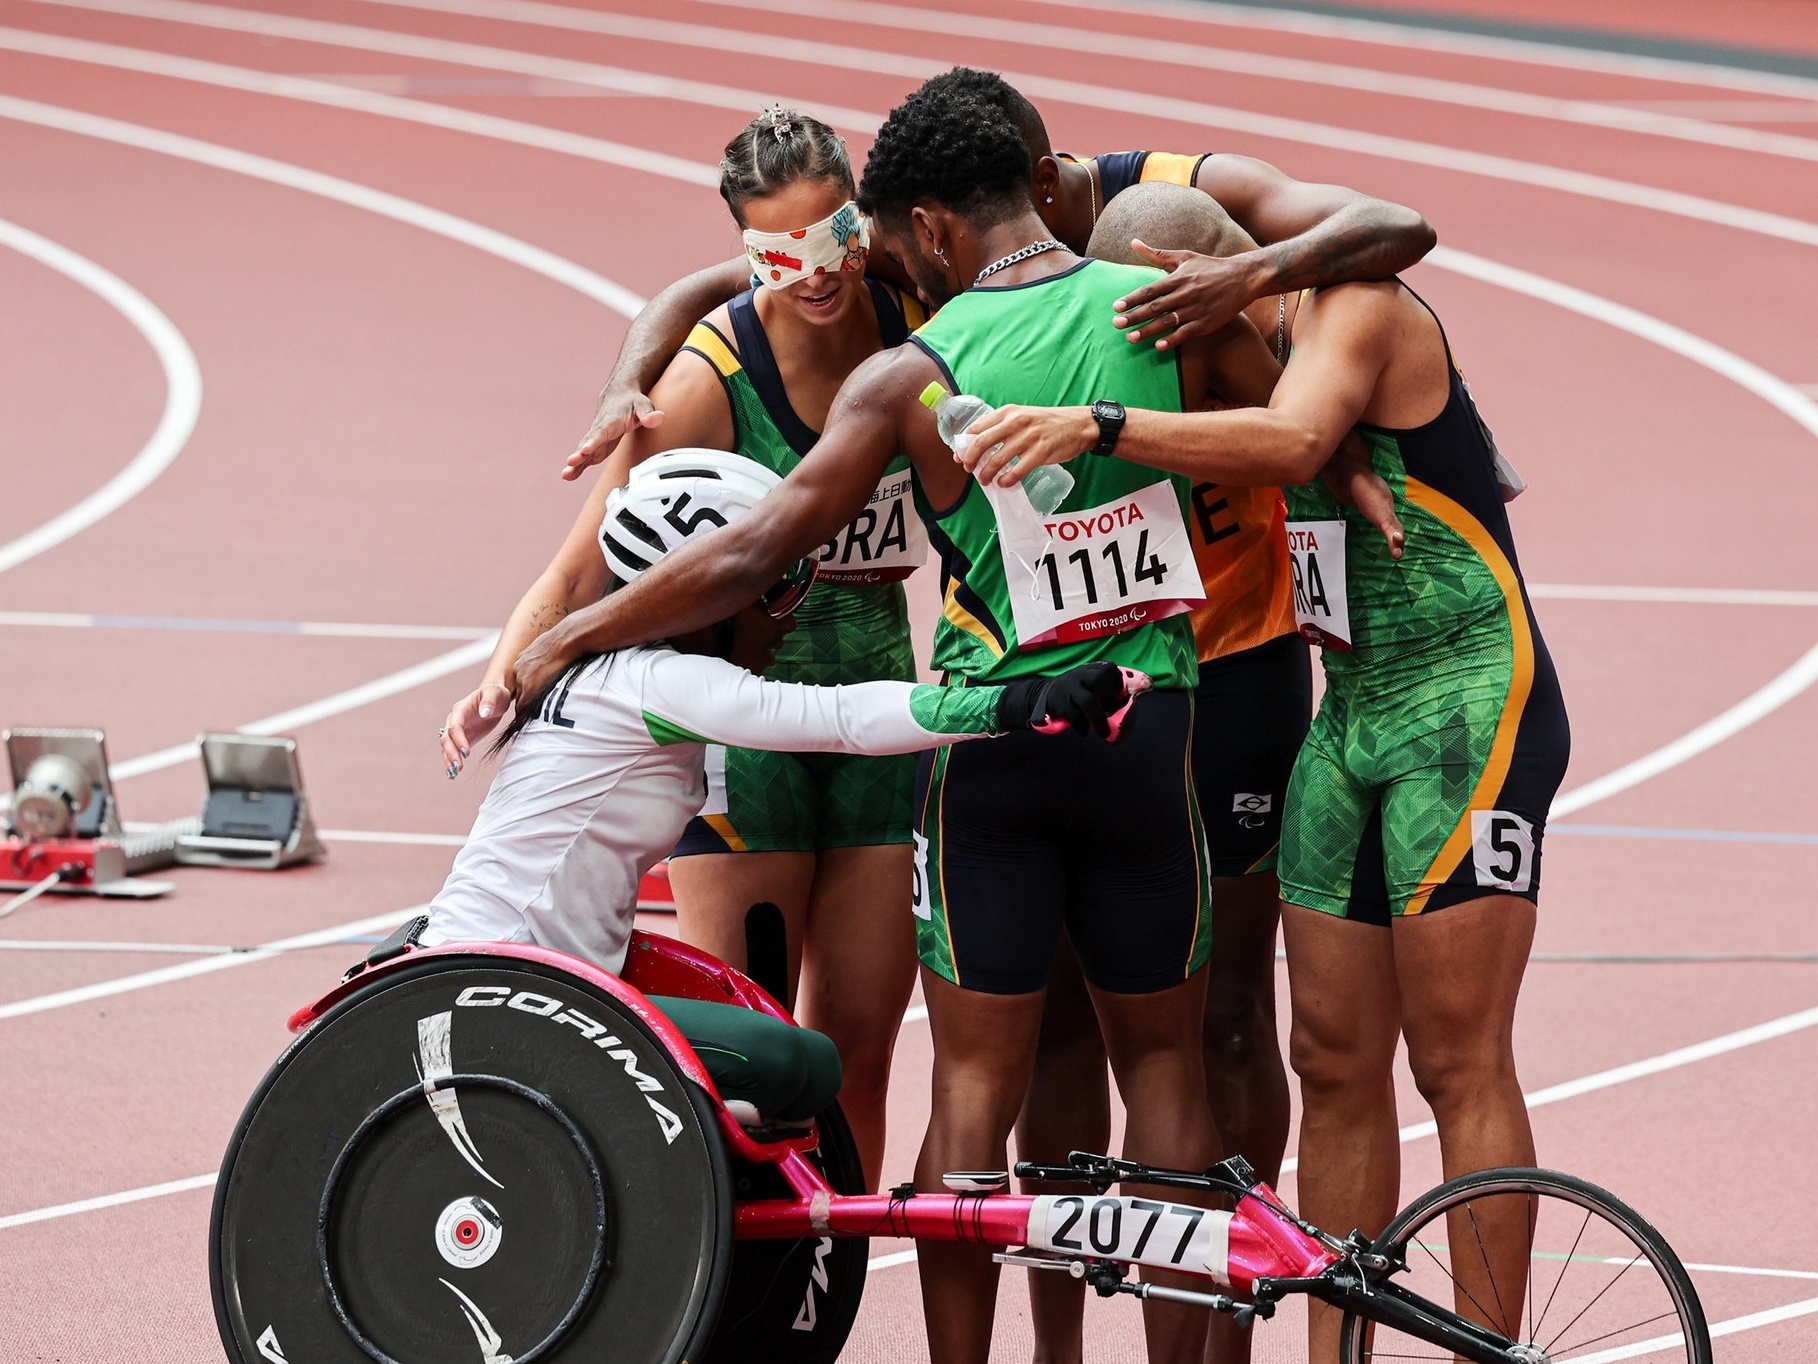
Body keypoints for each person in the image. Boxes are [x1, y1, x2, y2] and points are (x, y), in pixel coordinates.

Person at [508, 81, 1398, 1364]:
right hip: (1151, 736)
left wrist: (571, 634)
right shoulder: (1156, 307)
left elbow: (758, 542)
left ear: (926, 228)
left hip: (992, 748)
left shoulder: (908, 374)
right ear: (1031, 184)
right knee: (1166, 1074)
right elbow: (1287, 432)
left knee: (974, 1087)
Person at [956, 233, 1570, 1364]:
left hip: (1468, 702)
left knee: (1455, 1056)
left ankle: (1489, 1351)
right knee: (1329, 1053)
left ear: (1200, 276)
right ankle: (1340, 1351)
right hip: (1350, 707)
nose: (1145, 348)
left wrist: (1096, 424)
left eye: (1157, 321)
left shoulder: (1355, 308)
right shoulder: (1224, 352)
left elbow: (1291, 439)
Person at [442, 107, 930, 1190]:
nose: (812, 274)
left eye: (830, 238)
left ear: (861, 219)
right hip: (739, 729)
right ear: (744, 253)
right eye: (775, 254)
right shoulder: (711, 378)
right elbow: (581, 567)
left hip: (878, 708)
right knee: (745, 1068)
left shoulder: (911, 309)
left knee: (861, 1052)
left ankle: (820, 1289)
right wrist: (501, 676)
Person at [422, 448, 1143, 1127]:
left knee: (793, 1065)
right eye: (778, 583)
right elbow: (842, 718)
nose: (792, 610)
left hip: (534, 973)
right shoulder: (654, 681)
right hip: (510, 993)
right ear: (704, 594)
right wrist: (1025, 703)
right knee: (795, 1060)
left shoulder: (607, 670)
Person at [562, 68, 1434, 479]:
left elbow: (1398, 226)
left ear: (1035, 187)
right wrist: (623, 382)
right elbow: (717, 285)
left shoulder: (1182, 190)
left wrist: (1240, 281)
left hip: (1251, 476)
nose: (935, 262)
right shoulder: (916, 238)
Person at [1015, 181, 1310, 1364]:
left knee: (1231, 1016)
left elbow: (1315, 423)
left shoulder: (1262, 344)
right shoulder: (1054, 322)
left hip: (1237, 678)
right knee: (1060, 1024)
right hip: (1096, 682)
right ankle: (1054, 1347)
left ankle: (1219, 1337)